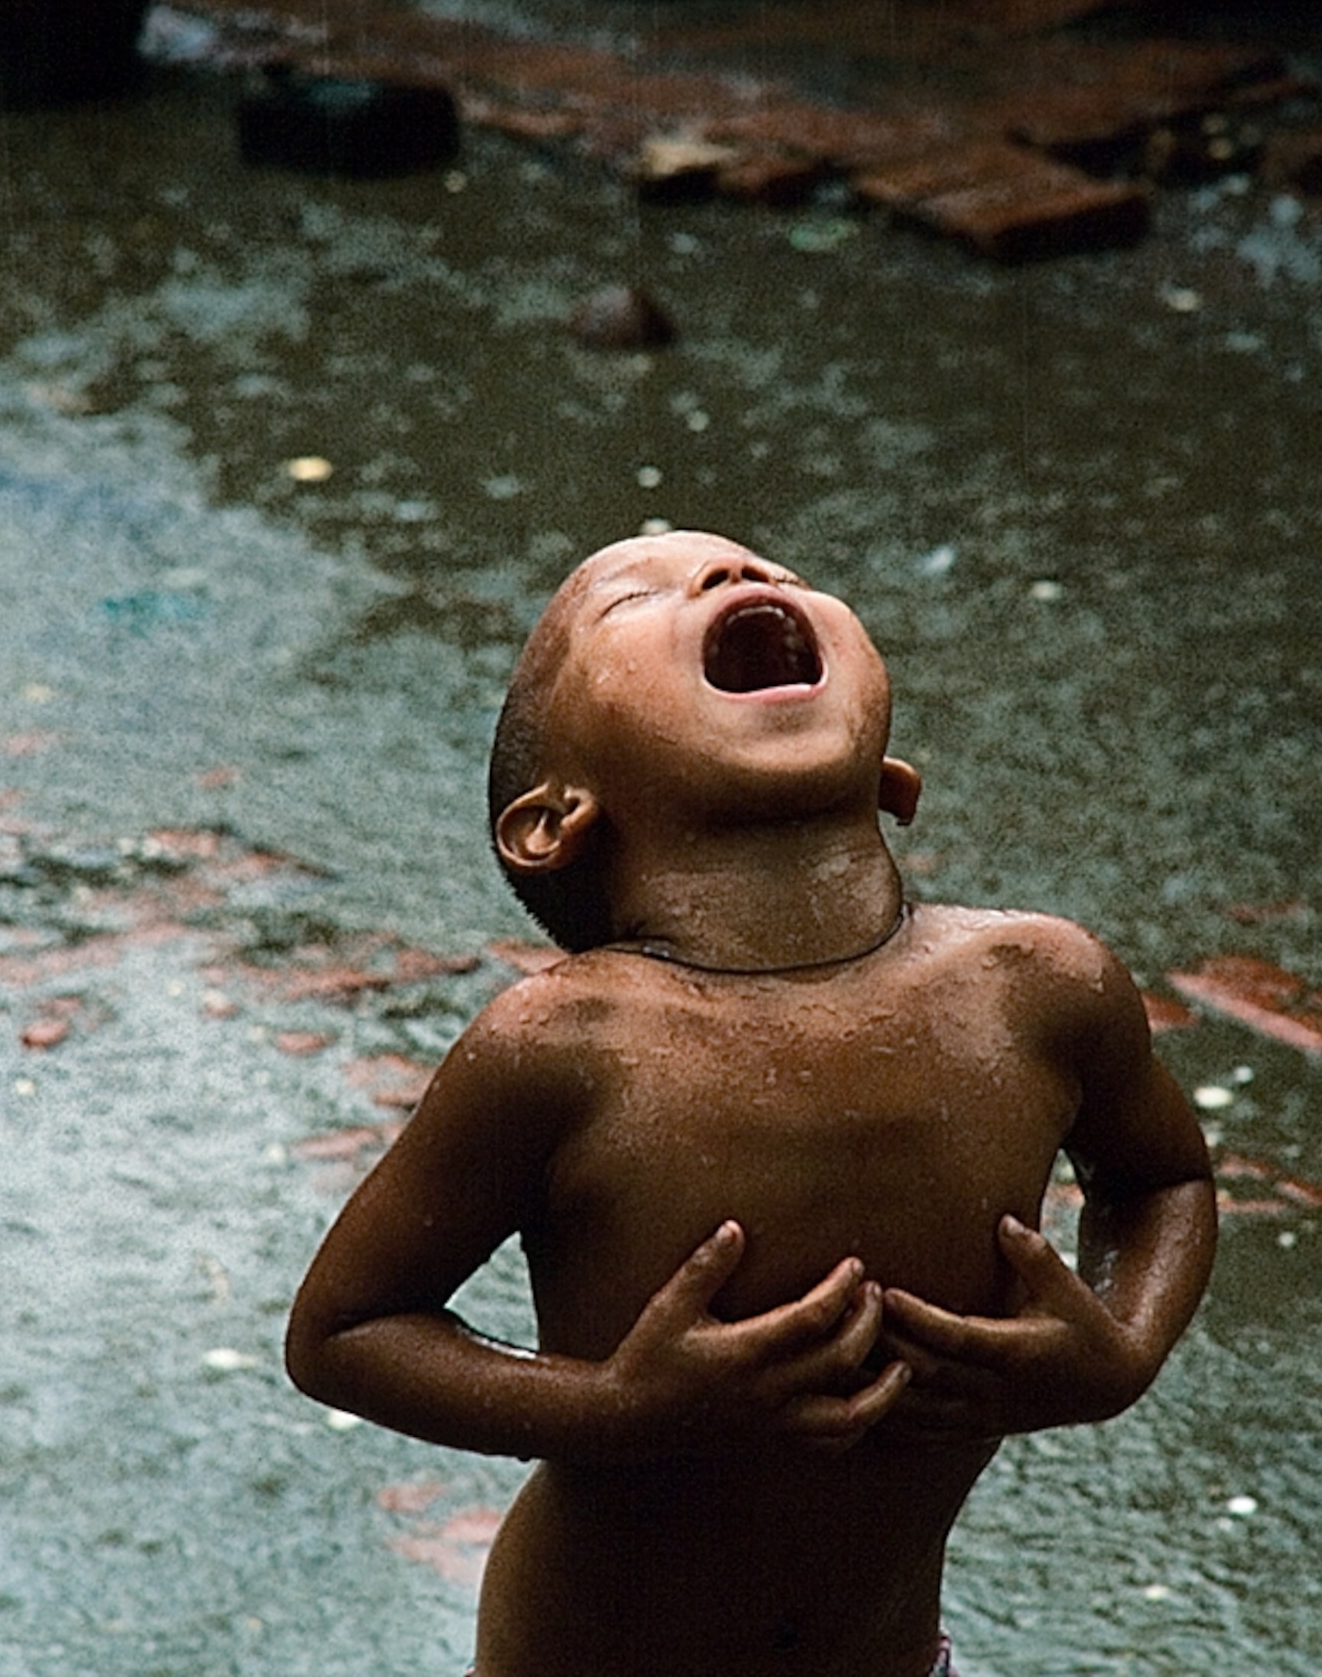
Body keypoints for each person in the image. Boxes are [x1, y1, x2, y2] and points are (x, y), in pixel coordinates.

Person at [286, 530, 1217, 1677]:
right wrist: (618, 1409)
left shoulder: (1037, 990)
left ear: (891, 776)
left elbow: (1162, 1179)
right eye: (635, 596)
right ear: (556, 817)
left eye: (770, 567)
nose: (740, 578)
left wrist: (1120, 1349)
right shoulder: (567, 1048)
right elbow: (344, 1332)